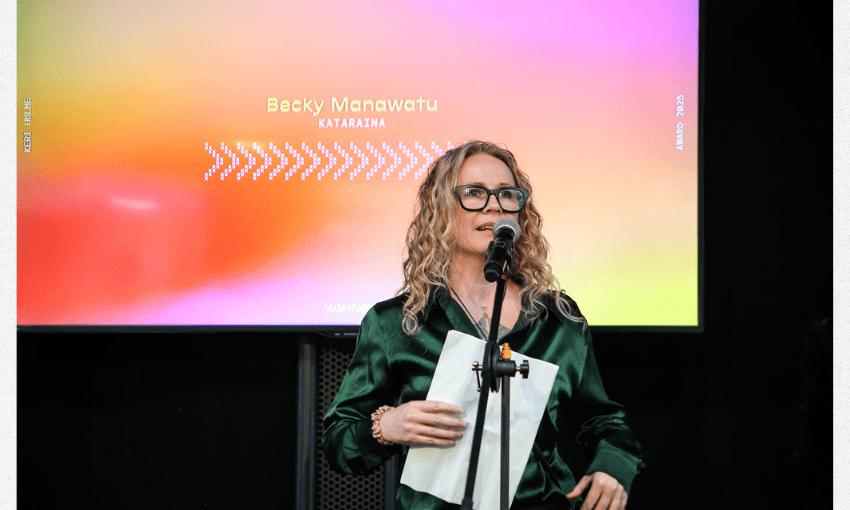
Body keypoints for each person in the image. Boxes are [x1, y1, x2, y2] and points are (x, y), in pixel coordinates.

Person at [322, 141, 644, 510]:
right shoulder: (397, 323)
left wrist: (614, 467)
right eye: (473, 193)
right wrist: (387, 426)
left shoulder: (557, 319)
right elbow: (338, 443)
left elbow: (602, 420)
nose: (494, 204)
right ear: (440, 209)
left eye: (507, 194)